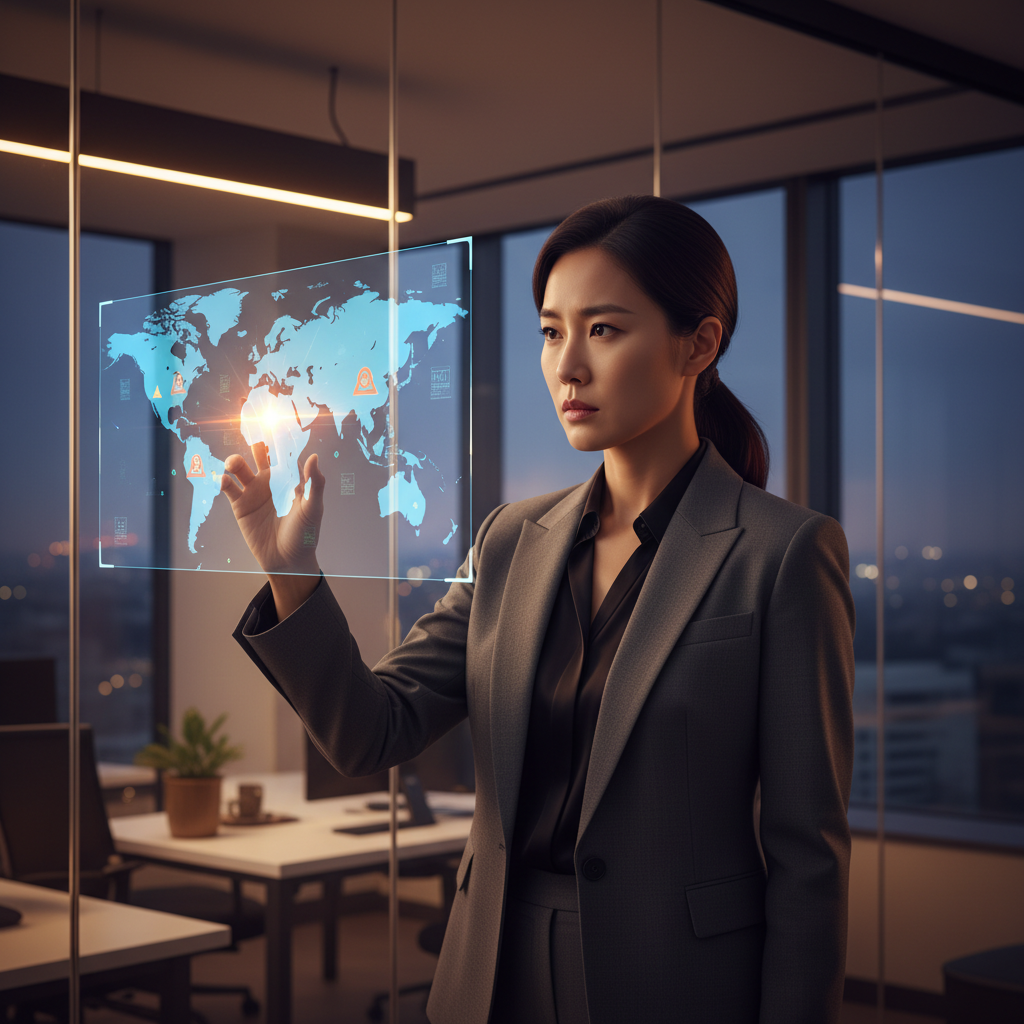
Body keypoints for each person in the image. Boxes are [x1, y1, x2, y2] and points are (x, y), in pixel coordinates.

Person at [224, 195, 855, 1024]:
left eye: (604, 329)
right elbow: (370, 731)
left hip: (678, 981)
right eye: (553, 332)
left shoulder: (782, 553)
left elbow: (809, 858)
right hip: (492, 967)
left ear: (698, 344)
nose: (568, 366)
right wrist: (292, 571)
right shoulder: (511, 540)